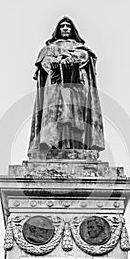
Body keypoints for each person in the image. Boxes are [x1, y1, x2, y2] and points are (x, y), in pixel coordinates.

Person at [28, 17, 105, 156]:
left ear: (72, 30)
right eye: (62, 26)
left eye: (68, 26)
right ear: (58, 30)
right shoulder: (48, 49)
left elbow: (85, 57)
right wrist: (56, 62)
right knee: (53, 114)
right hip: (55, 85)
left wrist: (72, 59)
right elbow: (44, 63)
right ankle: (52, 145)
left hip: (77, 85)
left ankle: (79, 146)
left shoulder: (80, 48)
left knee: (77, 115)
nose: (65, 28)